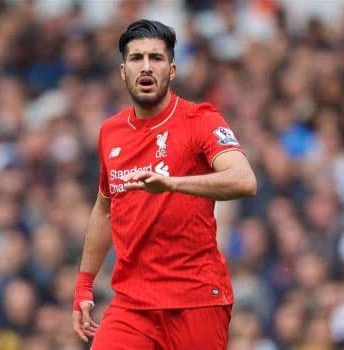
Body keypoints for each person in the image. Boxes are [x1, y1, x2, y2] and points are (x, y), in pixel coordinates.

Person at [72, 19, 257, 349]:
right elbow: (104, 208)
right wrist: (84, 284)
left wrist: (173, 184)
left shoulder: (200, 120)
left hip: (196, 299)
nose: (146, 67)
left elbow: (244, 180)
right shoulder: (110, 132)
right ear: (122, 71)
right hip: (132, 305)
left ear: (171, 70)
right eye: (136, 58)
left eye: (155, 58)